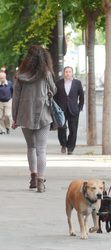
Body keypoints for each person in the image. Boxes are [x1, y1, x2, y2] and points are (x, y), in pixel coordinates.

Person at [12, 45, 57, 193]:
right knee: (41, 149)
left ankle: (33, 175)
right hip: (43, 115)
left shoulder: (20, 75)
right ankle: (40, 181)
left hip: (25, 116)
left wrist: (15, 118)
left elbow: (16, 98)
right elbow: (54, 90)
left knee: (31, 147)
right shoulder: (46, 73)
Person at [54, 66, 84, 155]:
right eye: (66, 72)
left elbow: (81, 96)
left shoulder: (77, 83)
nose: (68, 73)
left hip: (74, 110)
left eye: (69, 72)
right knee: (62, 128)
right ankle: (63, 144)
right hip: (61, 111)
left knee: (73, 130)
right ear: (64, 73)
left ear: (72, 73)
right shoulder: (58, 83)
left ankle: (70, 148)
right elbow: (55, 97)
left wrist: (79, 108)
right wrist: (57, 108)